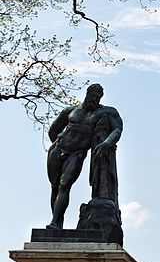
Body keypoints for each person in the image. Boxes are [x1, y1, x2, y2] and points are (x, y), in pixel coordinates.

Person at [46, 83, 123, 229]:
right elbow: (54, 130)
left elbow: (117, 129)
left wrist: (107, 143)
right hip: (57, 148)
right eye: (92, 95)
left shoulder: (106, 112)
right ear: (86, 94)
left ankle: (54, 222)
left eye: (97, 97)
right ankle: (57, 222)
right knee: (55, 187)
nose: (94, 99)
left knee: (64, 185)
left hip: (77, 153)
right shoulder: (71, 111)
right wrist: (58, 145)